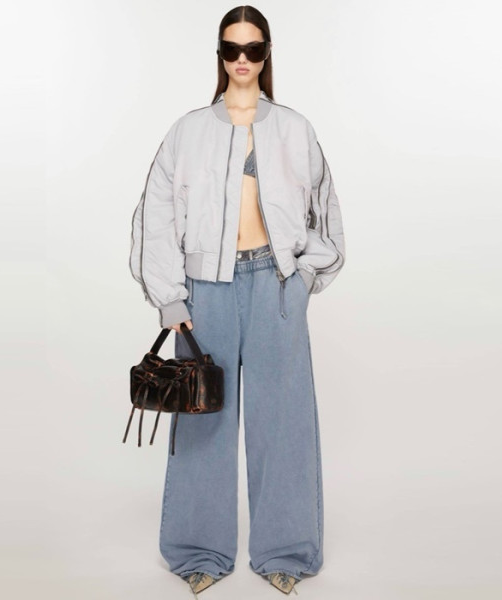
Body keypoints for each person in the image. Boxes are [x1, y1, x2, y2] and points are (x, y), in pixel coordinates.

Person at [129, 5, 346, 597]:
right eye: (232, 49)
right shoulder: (188, 131)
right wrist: (171, 298)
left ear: (267, 53)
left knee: (284, 423)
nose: (242, 59)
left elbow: (325, 210)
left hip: (275, 286)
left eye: (253, 49)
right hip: (207, 291)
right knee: (204, 420)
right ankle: (199, 551)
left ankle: (286, 552)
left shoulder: (295, 128)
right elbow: (155, 216)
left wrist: (303, 277)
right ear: (220, 55)